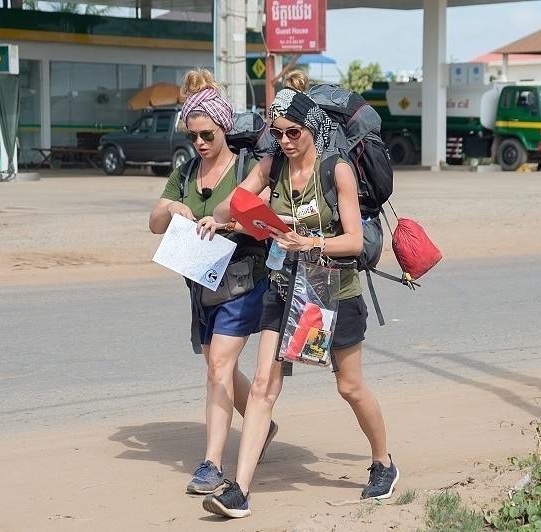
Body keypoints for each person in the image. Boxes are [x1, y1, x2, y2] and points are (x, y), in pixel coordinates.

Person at [198, 73, 398, 519]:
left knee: (349, 385)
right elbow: (239, 201)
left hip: (334, 289)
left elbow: (352, 240)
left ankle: (383, 462)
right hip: (286, 289)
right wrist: (220, 219)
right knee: (265, 386)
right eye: (278, 132)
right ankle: (240, 490)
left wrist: (310, 243)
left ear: (311, 129)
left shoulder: (336, 170)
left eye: (294, 132)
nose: (285, 141)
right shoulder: (273, 167)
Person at [148, 69, 277, 496]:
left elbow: (263, 223)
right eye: (192, 137)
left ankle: (212, 464)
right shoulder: (185, 174)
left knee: (219, 367)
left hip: (243, 281)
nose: (199, 143)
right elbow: (153, 223)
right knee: (216, 366)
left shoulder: (247, 169)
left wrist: (226, 221)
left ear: (223, 126)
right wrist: (172, 210)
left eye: (206, 134)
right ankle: (262, 423)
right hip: (201, 285)